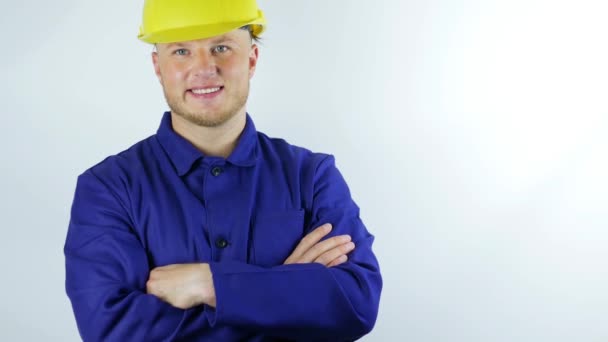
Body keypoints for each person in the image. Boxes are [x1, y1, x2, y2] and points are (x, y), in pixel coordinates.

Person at [64, 0, 382, 340]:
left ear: (252, 59)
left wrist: (210, 283)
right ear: (158, 67)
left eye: (221, 47)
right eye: (181, 52)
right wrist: (283, 290)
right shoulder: (109, 189)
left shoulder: (312, 175)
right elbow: (113, 330)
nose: (204, 68)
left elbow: (356, 303)